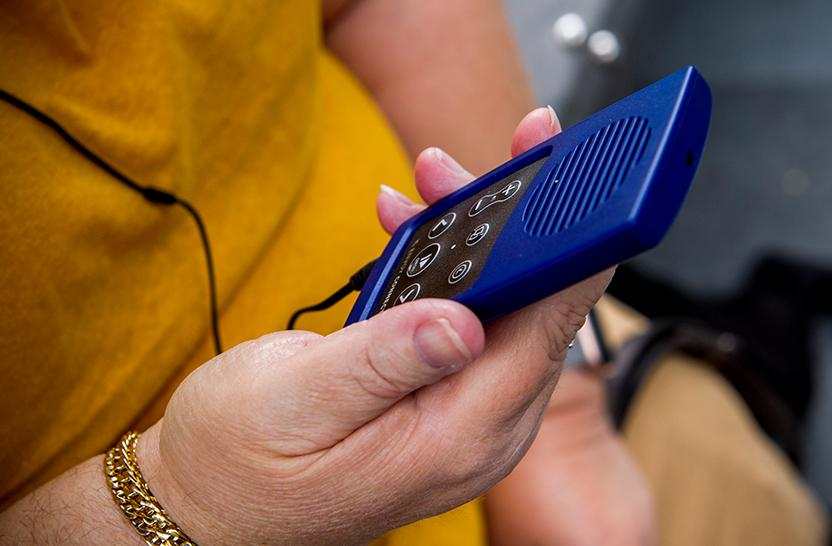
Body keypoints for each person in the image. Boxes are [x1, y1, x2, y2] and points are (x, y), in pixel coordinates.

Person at [0, 1, 827, 545]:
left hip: (534, 364)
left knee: (758, 504)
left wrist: (564, 427)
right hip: (182, 502)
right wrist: (181, 504)